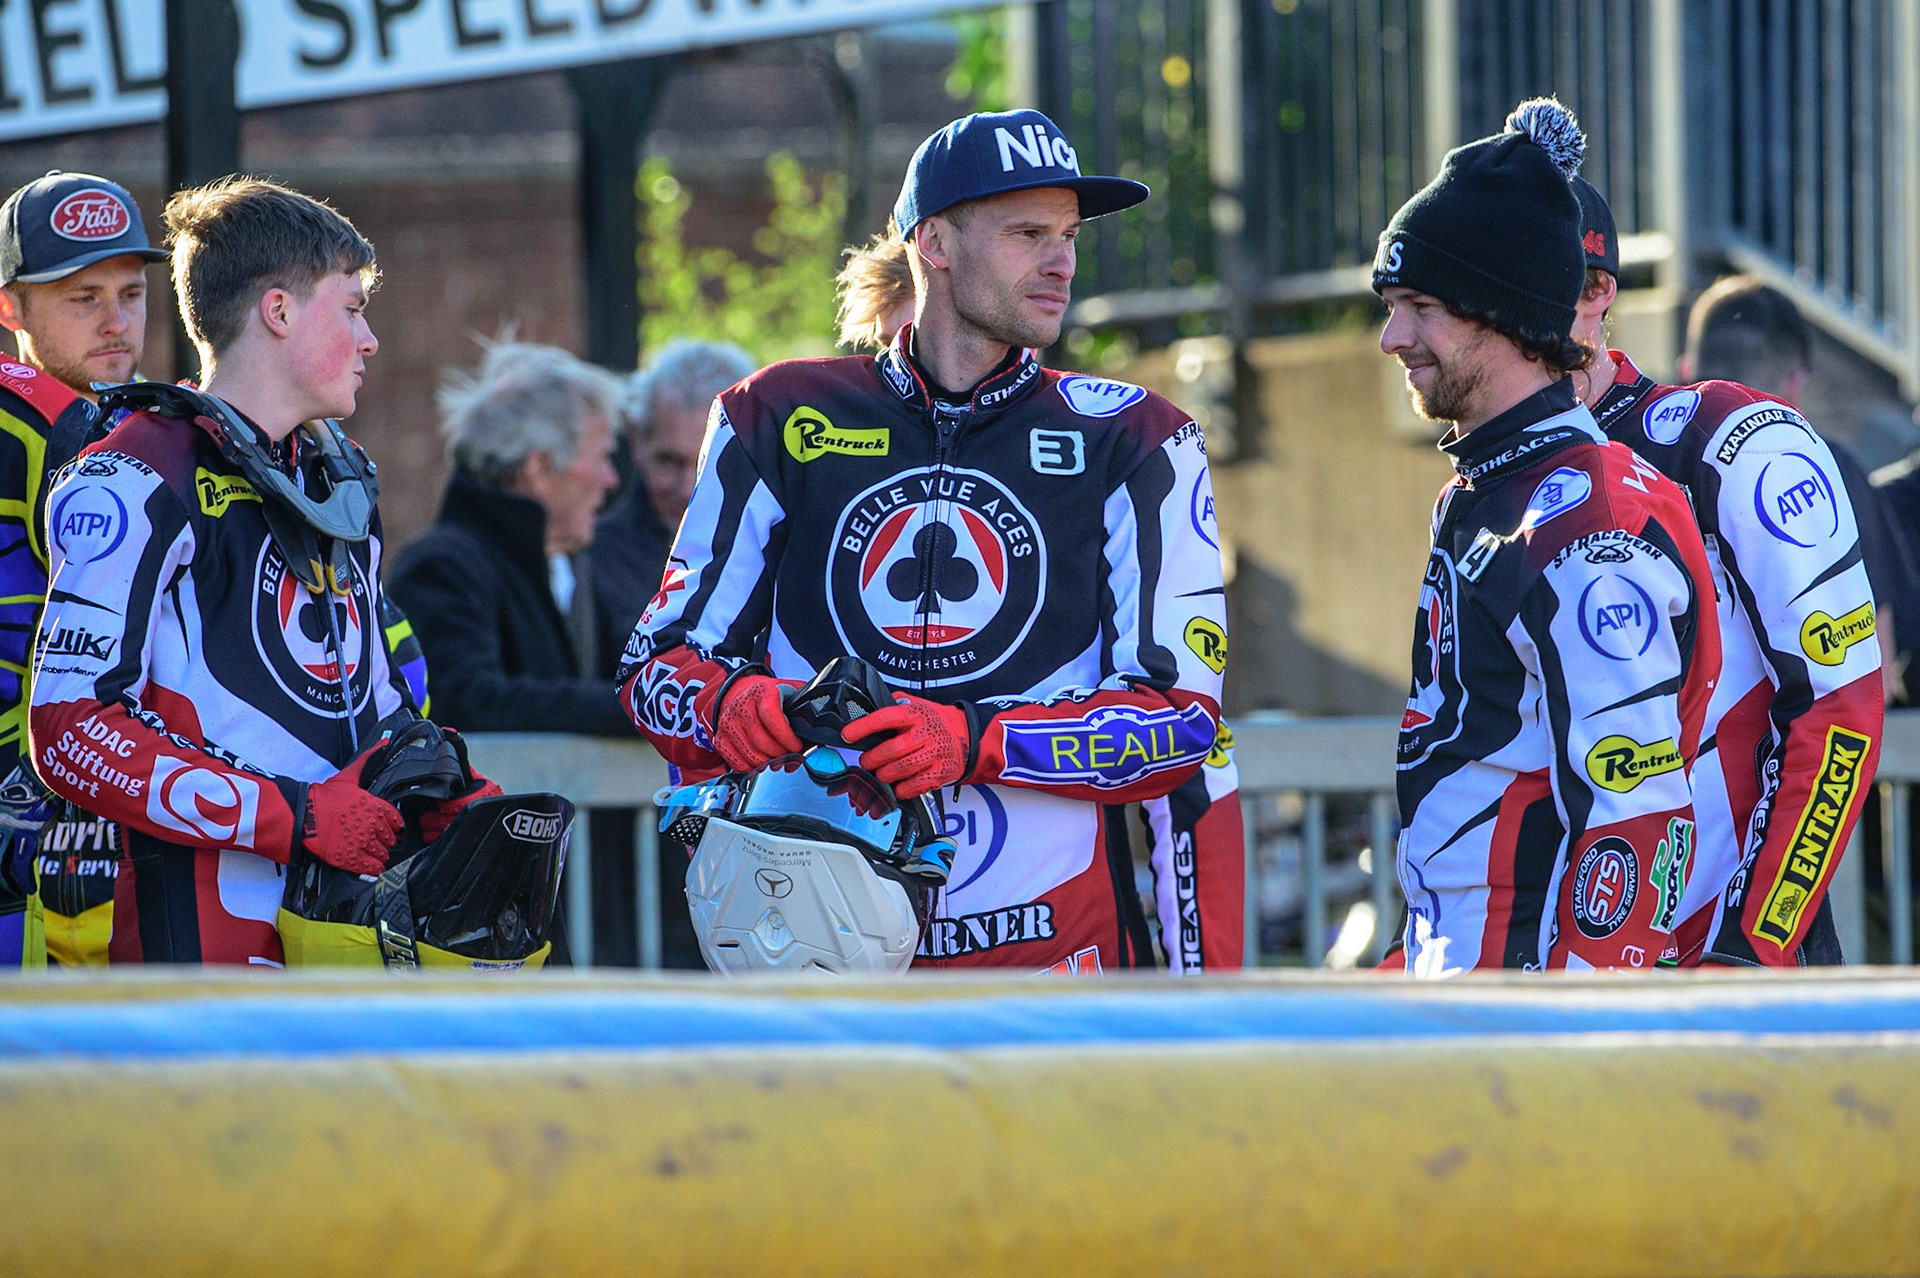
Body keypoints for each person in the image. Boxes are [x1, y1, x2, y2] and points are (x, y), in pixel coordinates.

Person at [620, 108, 1232, 972]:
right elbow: (655, 666)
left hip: (1050, 967)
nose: (1060, 261)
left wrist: (976, 741)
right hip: (812, 959)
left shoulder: (1138, 439)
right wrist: (741, 709)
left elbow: (1179, 724)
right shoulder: (776, 414)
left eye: (1067, 235)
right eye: (1027, 233)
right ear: (934, 242)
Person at [27, 177, 470, 965]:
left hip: (341, 920)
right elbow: (67, 728)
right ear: (278, 312)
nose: (370, 341)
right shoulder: (130, 475)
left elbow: (372, 700)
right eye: (354, 308)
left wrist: (442, 786)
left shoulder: (341, 472)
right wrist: (289, 816)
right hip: (194, 944)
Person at [833, 230, 1246, 970]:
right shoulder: (823, 465)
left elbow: (1194, 765)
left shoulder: (1097, 465)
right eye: (898, 345)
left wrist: (1204, 1003)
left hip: (1054, 971)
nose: (936, 377)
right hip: (855, 971)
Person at [1376, 99, 1721, 975]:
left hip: (1526, 1030)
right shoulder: (1491, 488)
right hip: (1464, 997)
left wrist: (1574, 1052)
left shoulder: (1586, 519)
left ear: (1506, 314)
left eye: (1420, 306)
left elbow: (1637, 818)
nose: (1392, 338)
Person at [1567, 126, 1884, 966]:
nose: (1407, 340)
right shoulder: (1479, 491)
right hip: (1558, 998)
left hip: (1727, 976)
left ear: (1596, 295)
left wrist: (1753, 943)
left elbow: (1840, 708)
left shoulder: (1723, 440)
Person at [0, 170, 167, 967]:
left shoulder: (179, 431)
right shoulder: (26, 427)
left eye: (130, 294)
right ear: (9, 308)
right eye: (82, 297)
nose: (116, 323)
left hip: (135, 842)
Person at [388, 341, 630, 738]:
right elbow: (467, 702)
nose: (611, 479)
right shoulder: (441, 566)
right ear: (539, 467)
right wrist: (639, 712)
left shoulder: (575, 563)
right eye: (601, 457)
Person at [589, 339, 756, 682]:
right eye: (669, 461)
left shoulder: (792, 556)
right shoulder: (588, 558)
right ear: (636, 441)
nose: (686, 489)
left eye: (705, 467)